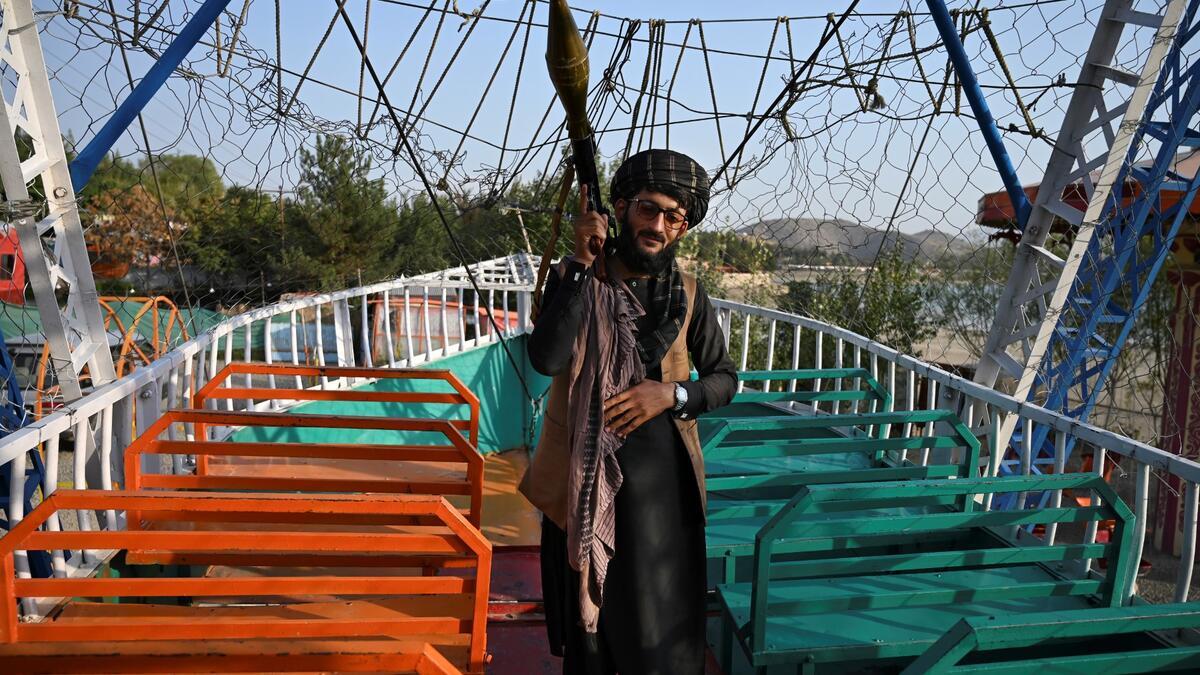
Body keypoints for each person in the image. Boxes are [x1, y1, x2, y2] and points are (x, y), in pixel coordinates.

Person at [520, 149, 738, 674]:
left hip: (662, 492)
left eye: (673, 217)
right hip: (582, 480)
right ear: (620, 207)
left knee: (658, 635)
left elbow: (724, 379)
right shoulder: (579, 279)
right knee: (591, 635)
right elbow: (546, 356)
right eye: (648, 209)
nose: (658, 225)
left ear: (683, 228)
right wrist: (579, 263)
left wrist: (670, 395)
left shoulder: (687, 295)